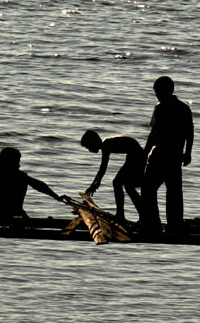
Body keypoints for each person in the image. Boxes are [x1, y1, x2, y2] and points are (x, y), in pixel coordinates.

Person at [142, 76, 193, 233]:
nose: (156, 95)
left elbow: (154, 133)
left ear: (165, 91)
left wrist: (144, 152)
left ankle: (153, 223)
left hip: (161, 154)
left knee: (148, 188)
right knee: (174, 192)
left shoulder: (161, 108)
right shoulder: (184, 108)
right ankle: (174, 224)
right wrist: (188, 152)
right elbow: (189, 133)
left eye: (157, 92)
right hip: (175, 155)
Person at [0, 147, 66, 226]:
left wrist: (56, 196)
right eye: (16, 161)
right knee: (21, 179)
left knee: (23, 178)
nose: (19, 165)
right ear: (7, 160)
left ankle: (16, 214)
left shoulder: (7, 173)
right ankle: (16, 215)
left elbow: (38, 184)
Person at [81, 130, 145, 222]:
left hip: (136, 156)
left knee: (117, 183)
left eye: (89, 147)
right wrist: (95, 182)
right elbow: (102, 168)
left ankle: (121, 214)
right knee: (128, 187)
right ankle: (142, 215)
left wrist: (95, 183)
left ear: (93, 142)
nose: (89, 150)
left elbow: (103, 167)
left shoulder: (106, 144)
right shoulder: (105, 145)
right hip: (136, 156)